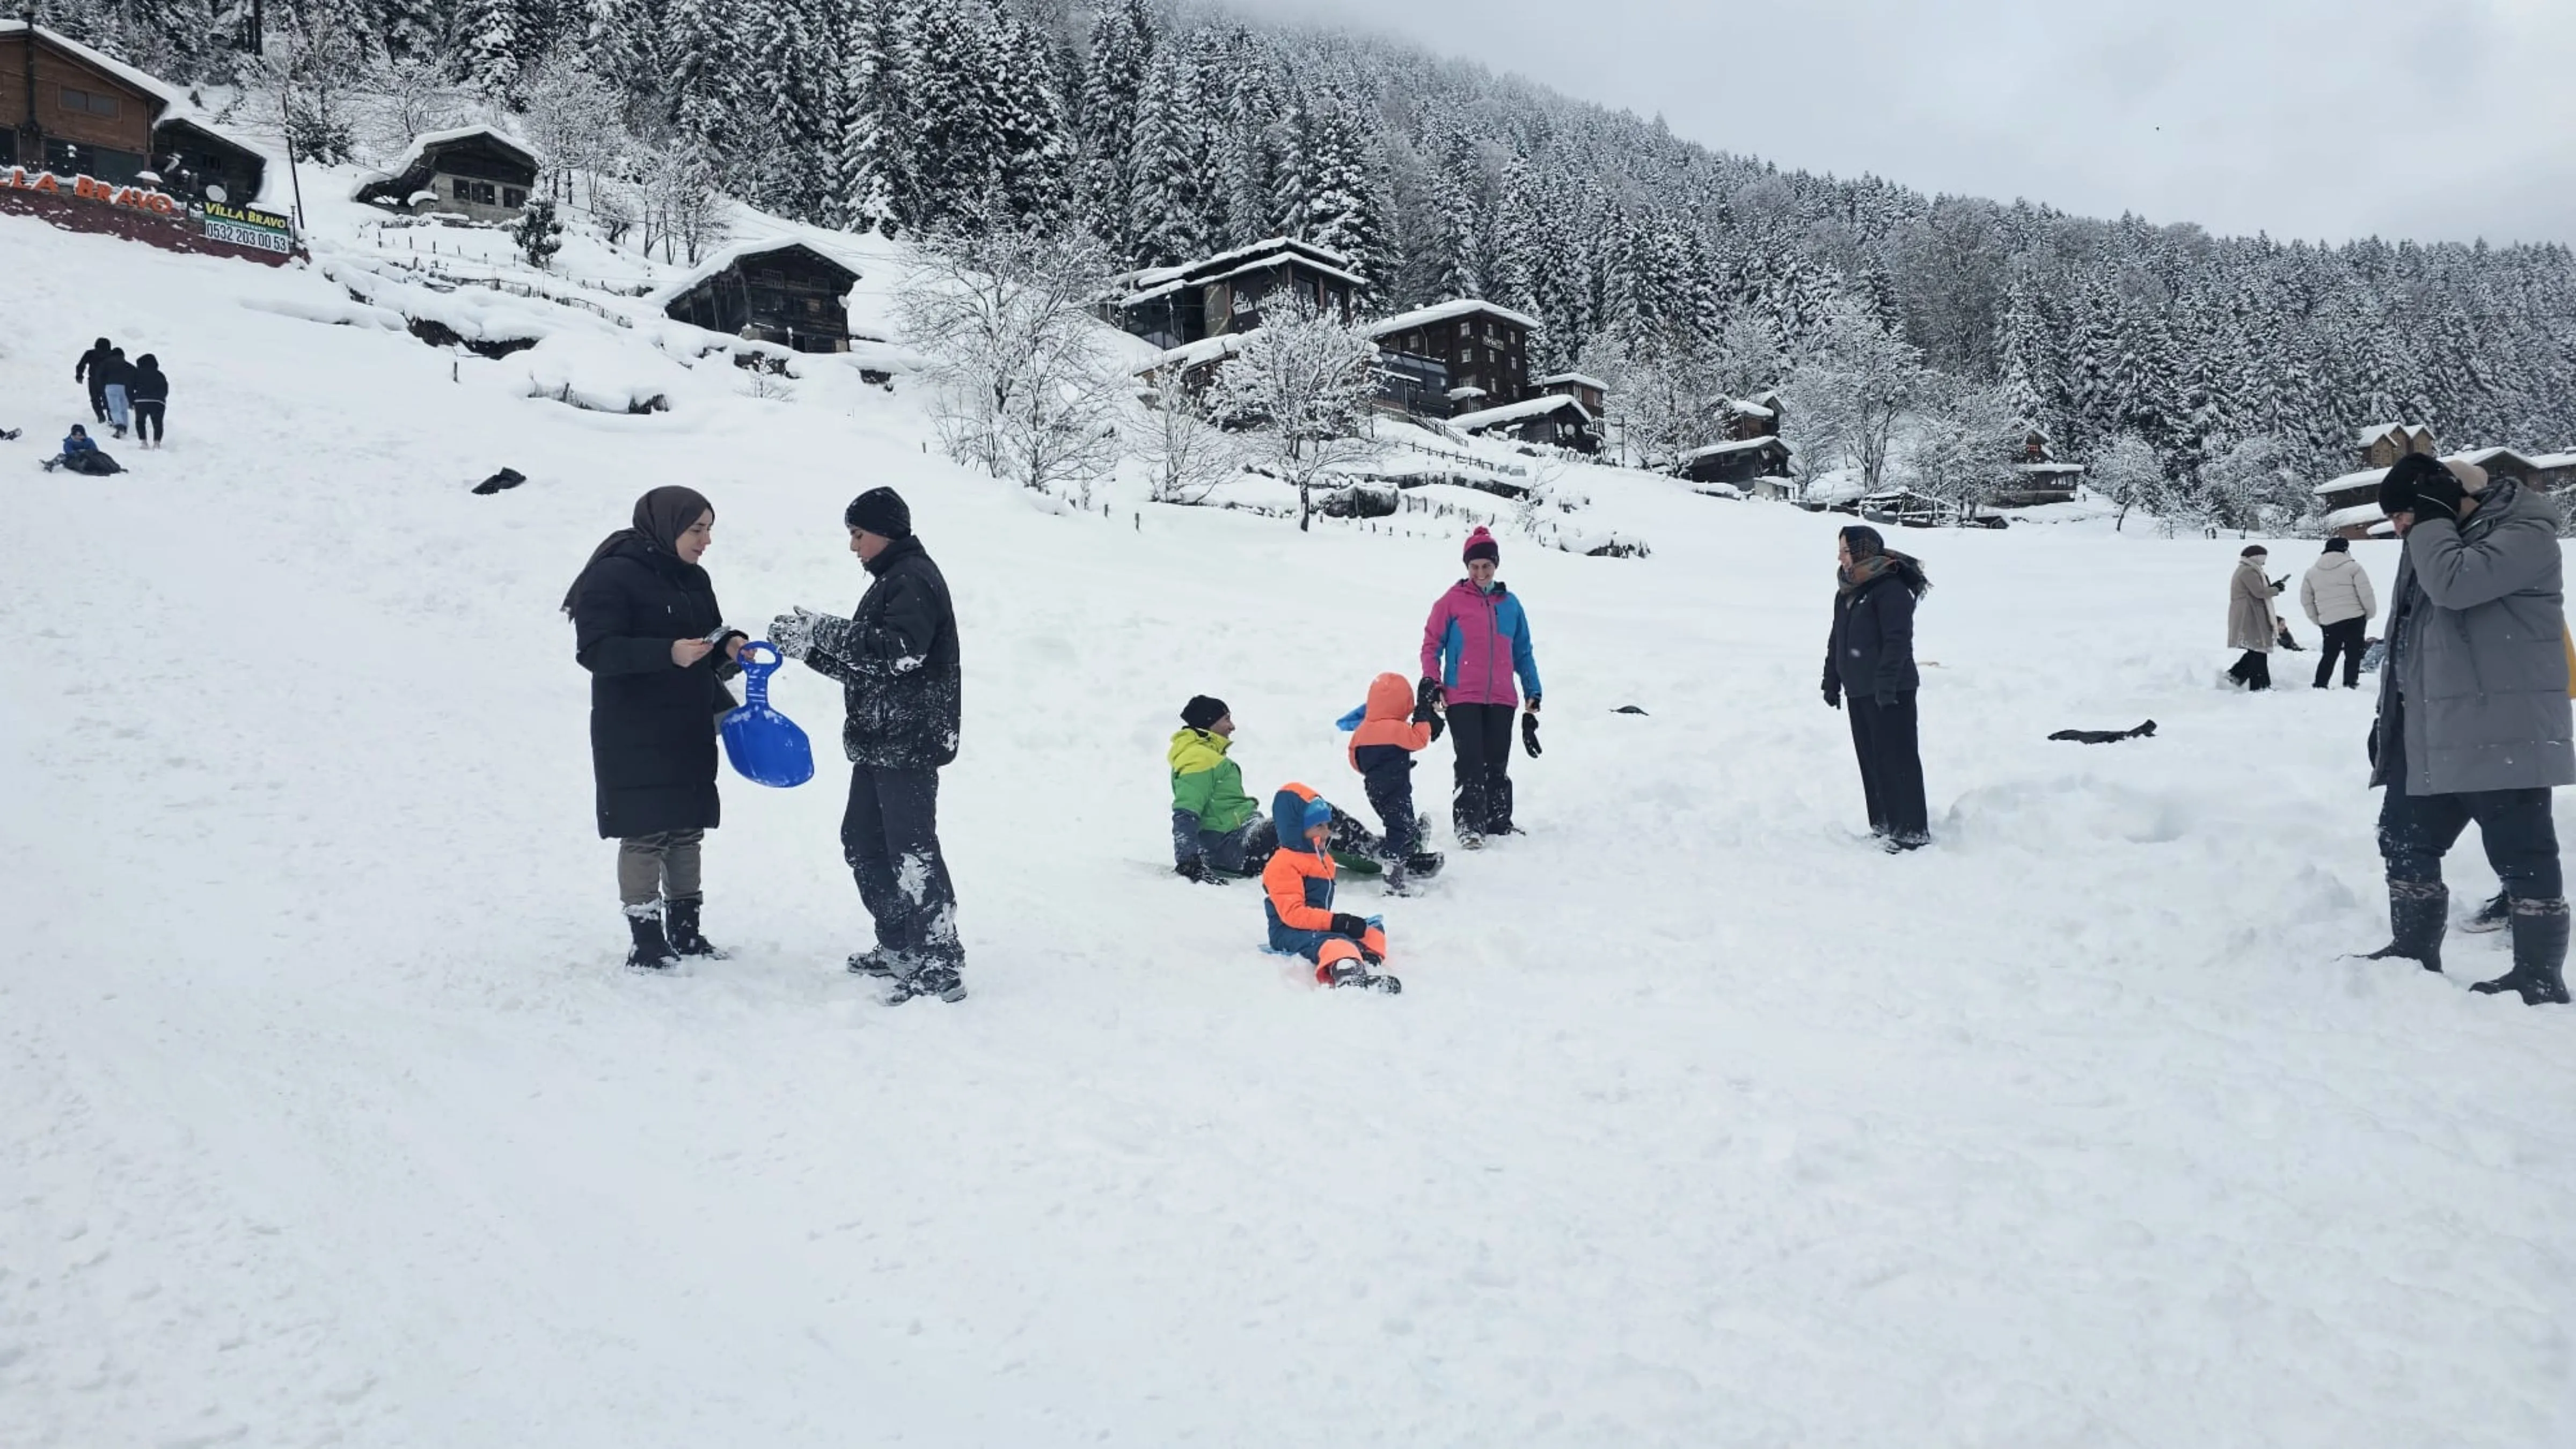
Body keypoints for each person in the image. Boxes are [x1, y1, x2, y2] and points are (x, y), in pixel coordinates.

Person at [2360, 452, 2572, 1005]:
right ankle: (2412, 948)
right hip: (2432, 731)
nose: (2400, 527)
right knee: (2402, 838)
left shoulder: (2525, 533)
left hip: (2504, 727)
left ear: (2441, 501)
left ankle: (2539, 976)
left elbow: (2454, 586)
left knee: (2522, 855)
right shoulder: (2434, 539)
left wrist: (2430, 522)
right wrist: (2390, 718)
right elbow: (2407, 636)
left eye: (2404, 513)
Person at [771, 488, 968, 1005]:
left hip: (908, 742)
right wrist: (809, 649)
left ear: (886, 532)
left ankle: (940, 962)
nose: (853, 547)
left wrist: (824, 629)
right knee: (862, 841)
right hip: (881, 741)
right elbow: (872, 667)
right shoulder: (892, 581)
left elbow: (901, 654)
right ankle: (901, 945)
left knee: (911, 851)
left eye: (858, 535)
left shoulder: (912, 579)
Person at [565, 486, 747, 972]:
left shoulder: (694, 577)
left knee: (688, 829)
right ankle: (646, 941)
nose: (706, 540)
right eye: (697, 529)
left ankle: (686, 933)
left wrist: (730, 644)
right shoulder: (612, 576)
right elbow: (596, 650)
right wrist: (666, 653)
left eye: (709, 529)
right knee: (645, 832)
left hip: (687, 722)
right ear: (666, 527)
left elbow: (708, 631)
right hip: (633, 727)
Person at [1170, 694, 1380, 882]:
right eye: (1226, 719)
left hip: (1238, 842)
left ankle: (1379, 854)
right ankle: (1384, 855)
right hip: (1235, 848)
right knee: (1315, 815)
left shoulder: (1205, 755)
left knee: (1313, 818)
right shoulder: (1198, 758)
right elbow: (1186, 811)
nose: (1232, 726)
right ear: (1209, 723)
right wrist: (1188, 861)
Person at [1420, 526, 1541, 848]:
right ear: (1467, 567)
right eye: (1474, 567)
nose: (1481, 572)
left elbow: (1523, 652)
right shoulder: (1451, 602)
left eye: (1487, 566)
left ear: (1496, 565)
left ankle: (1498, 821)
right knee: (1471, 760)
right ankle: (1469, 825)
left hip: (1502, 696)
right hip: (1462, 695)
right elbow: (1432, 646)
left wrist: (1533, 690)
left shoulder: (1511, 605)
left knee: (1498, 760)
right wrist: (1434, 682)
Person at [1822, 525, 1931, 851]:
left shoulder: (1890, 589)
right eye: (1841, 550)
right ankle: (1884, 823)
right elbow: (1837, 639)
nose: (1841, 557)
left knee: (1897, 758)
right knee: (1872, 759)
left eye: (1845, 550)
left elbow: (1898, 643)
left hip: (1891, 691)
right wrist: (1832, 679)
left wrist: (1887, 686)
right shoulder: (1849, 591)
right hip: (1859, 690)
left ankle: (1911, 830)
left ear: (1863, 550)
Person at [1262, 783, 1399, 992]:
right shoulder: (1283, 864)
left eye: (1327, 825)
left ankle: (1363, 958)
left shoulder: (1321, 858)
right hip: (1288, 932)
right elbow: (1293, 915)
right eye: (1319, 827)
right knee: (1336, 943)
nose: (1327, 833)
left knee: (1371, 929)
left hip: (1314, 925)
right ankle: (1350, 977)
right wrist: (1337, 923)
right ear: (1297, 829)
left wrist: (1342, 924)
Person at [1346, 671, 1445, 890]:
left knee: (1399, 824)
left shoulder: (1362, 730)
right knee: (1400, 830)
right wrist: (1422, 713)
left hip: (1373, 787)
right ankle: (1393, 875)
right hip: (1396, 788)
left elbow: (1355, 759)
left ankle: (1408, 854)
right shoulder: (1398, 728)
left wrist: (1384, 766)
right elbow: (1420, 740)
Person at [2299, 537, 2377, 689]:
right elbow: (2366, 593)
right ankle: (2350, 683)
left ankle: (2321, 684)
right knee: (2353, 653)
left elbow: (2306, 600)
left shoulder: (2311, 572)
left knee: (2329, 654)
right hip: (2355, 617)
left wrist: (2317, 619)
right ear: (2345, 549)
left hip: (2329, 620)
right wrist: (2369, 613)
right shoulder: (2354, 568)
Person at [2225, 545, 2281, 691]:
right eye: (2263, 559)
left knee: (2256, 650)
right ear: (2256, 557)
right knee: (2258, 649)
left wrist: (2273, 587)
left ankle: (2237, 675)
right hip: (2250, 614)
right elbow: (2259, 592)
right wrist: (2276, 589)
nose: (2264, 563)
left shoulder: (2246, 570)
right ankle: (2260, 686)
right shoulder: (2249, 571)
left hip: (2250, 612)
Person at [41, 425, 120, 475]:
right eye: (76, 435)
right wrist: (77, 453)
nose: (78, 437)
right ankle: (50, 464)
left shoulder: (89, 441)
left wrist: (87, 452)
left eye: (80, 435)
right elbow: (68, 451)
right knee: (62, 457)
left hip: (86, 458)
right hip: (72, 459)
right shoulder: (69, 442)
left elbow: (95, 450)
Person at [128, 354, 170, 448]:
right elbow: (165, 389)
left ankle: (144, 442)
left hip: (141, 401)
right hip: (158, 402)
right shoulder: (160, 375)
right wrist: (161, 398)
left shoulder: (137, 373)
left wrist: (132, 400)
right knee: (158, 423)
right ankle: (157, 443)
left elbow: (130, 387)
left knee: (140, 421)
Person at [99, 346, 135, 440]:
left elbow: (100, 375)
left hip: (111, 386)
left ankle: (119, 426)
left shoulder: (106, 363)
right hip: (126, 388)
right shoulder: (128, 365)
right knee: (124, 409)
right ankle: (125, 427)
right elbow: (136, 375)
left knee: (115, 408)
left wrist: (102, 386)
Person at [75, 338, 113, 423]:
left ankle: (102, 416)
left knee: (96, 399)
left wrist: (79, 375)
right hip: (104, 380)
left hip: (97, 380)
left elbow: (81, 365)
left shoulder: (91, 353)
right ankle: (107, 417)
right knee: (106, 400)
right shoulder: (110, 355)